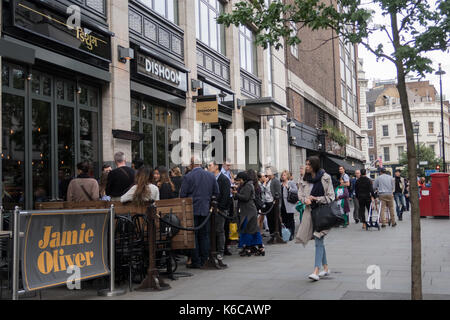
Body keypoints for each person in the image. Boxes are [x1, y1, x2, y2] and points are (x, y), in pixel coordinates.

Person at [296, 156, 335, 281]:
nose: (306, 166)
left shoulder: (326, 177)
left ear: (315, 165)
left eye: (309, 164)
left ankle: (316, 270)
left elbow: (331, 197)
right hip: (309, 213)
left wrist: (316, 199)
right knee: (320, 241)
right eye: (306, 164)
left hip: (322, 213)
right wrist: (305, 200)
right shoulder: (304, 178)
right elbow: (300, 193)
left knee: (318, 239)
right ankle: (326, 267)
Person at [180, 157, 219, 269]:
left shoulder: (188, 176)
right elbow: (216, 192)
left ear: (192, 164)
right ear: (200, 164)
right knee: (204, 235)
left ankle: (196, 261)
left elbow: (183, 195)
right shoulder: (210, 176)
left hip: (192, 209)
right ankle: (204, 259)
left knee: (194, 235)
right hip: (206, 209)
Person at [232, 171, 264, 256]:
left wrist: (236, 194)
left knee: (249, 229)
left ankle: (250, 248)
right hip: (246, 210)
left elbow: (245, 197)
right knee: (249, 229)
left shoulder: (248, 185)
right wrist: (236, 193)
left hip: (248, 211)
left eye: (239, 180)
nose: (238, 181)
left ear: (242, 179)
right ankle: (254, 248)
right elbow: (239, 197)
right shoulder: (245, 185)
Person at [208, 161, 231, 267]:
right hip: (211, 210)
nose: (208, 167)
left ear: (216, 167)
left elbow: (226, 195)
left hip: (220, 209)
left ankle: (220, 252)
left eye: (210, 165)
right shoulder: (210, 178)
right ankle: (213, 250)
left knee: (220, 230)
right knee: (212, 230)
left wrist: (219, 208)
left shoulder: (224, 179)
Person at [265, 166, 282, 244]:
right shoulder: (268, 181)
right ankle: (272, 235)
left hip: (273, 203)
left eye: (268, 170)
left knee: (275, 219)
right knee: (270, 219)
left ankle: (278, 235)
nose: (266, 172)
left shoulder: (275, 181)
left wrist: (276, 199)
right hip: (268, 202)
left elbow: (278, 192)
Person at [280, 170, 298, 240]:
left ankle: (292, 234)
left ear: (287, 176)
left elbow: (296, 190)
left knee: (290, 219)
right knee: (284, 220)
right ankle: (286, 234)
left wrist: (289, 188)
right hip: (282, 204)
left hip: (289, 203)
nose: (283, 176)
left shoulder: (291, 182)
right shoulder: (280, 184)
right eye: (282, 175)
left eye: (284, 175)